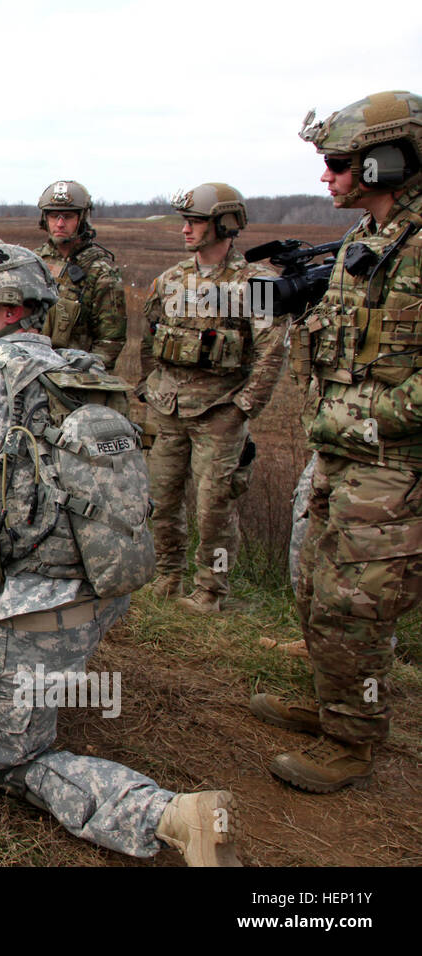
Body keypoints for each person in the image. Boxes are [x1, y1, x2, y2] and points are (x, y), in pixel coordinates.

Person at [0, 243, 240, 866]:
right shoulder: (85, 372)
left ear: (6, 308)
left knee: (15, 758)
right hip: (103, 588)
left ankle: (173, 815)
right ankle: (31, 676)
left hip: (35, 611)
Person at [251, 90, 422, 793]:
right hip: (342, 457)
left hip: (392, 468)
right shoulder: (366, 242)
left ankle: (353, 740)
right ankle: (331, 706)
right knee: (317, 589)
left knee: (358, 604)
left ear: (387, 160)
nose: (327, 178)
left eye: (339, 164)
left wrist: (356, 421)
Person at [138, 182, 285, 611]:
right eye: (185, 221)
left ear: (225, 224)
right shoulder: (169, 280)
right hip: (168, 410)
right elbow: (149, 339)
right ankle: (167, 576)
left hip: (220, 412)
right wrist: (152, 385)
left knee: (214, 508)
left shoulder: (256, 283)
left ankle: (211, 590)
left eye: (196, 222)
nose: (186, 230)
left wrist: (244, 406)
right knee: (160, 499)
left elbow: (272, 349)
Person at [34, 180, 127, 372]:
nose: (59, 224)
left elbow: (110, 340)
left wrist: (84, 370)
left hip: (75, 376)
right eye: (53, 216)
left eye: (67, 217)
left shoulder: (100, 272)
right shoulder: (32, 262)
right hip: (33, 369)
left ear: (82, 219)